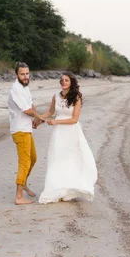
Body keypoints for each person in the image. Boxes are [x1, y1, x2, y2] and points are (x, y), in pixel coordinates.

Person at [37, 72, 97, 204]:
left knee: (71, 159)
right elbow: (51, 112)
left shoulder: (76, 97)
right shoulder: (55, 96)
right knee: (57, 159)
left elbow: (75, 119)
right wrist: (40, 117)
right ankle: (57, 190)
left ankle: (68, 190)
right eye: (62, 80)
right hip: (58, 134)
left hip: (71, 132)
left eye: (66, 80)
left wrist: (56, 122)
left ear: (71, 83)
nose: (63, 82)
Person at [8, 62, 44, 205]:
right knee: (25, 162)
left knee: (33, 158)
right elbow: (26, 110)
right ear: (16, 74)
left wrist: (36, 117)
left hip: (26, 128)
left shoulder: (25, 87)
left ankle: (23, 184)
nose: (25, 76)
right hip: (19, 129)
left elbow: (31, 105)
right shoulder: (15, 89)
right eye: (22, 74)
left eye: (27, 74)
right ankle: (18, 197)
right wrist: (40, 117)